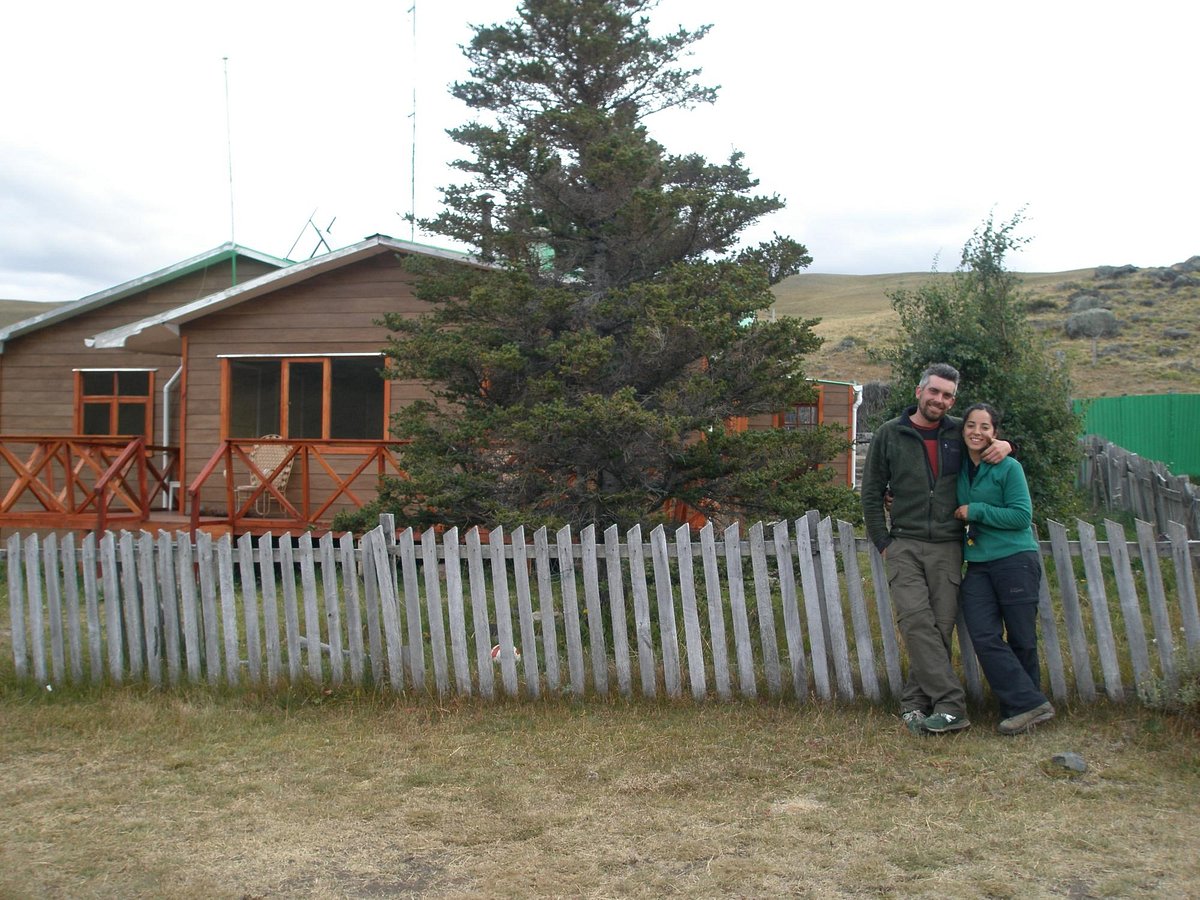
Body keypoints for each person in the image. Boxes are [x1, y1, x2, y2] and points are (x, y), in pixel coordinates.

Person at [861, 363, 1010, 735]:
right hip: (905, 544)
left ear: (952, 400)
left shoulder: (959, 432)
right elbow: (871, 491)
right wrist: (883, 542)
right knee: (915, 621)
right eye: (934, 392)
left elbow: (991, 443)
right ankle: (952, 704)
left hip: (947, 544)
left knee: (940, 628)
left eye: (947, 395)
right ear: (919, 391)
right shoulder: (889, 434)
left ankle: (915, 704)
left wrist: (1007, 444)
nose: (939, 400)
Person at [954, 402, 1055, 735]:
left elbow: (1020, 517)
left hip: (1015, 560)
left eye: (985, 427)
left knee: (1023, 638)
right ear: (963, 428)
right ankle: (1030, 703)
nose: (977, 432)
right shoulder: (959, 468)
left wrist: (976, 511)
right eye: (971, 425)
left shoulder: (1008, 467)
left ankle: (1019, 710)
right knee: (983, 634)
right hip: (979, 565)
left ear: (995, 433)